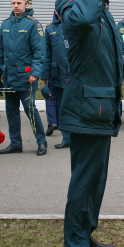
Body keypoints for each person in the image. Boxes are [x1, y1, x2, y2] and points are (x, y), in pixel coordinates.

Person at [55, 0, 123, 247]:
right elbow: (78, 19)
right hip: (85, 109)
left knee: (97, 178)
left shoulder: (102, 7)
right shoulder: (74, 1)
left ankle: (86, 231)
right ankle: (75, 245)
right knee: (84, 179)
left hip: (101, 108)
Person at [0, 0, 47, 156]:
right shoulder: (5, 25)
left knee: (30, 109)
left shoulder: (33, 25)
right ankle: (15, 143)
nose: (15, 6)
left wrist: (35, 72)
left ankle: (41, 141)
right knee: (11, 111)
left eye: (18, 3)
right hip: (9, 77)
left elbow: (39, 52)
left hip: (26, 77)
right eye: (13, 3)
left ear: (25, 4)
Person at [41, 10, 71, 149]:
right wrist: (45, 76)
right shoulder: (50, 29)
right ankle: (66, 138)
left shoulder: (73, 26)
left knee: (73, 106)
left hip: (72, 73)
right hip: (56, 74)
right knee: (61, 106)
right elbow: (47, 54)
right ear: (55, 12)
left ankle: (77, 136)